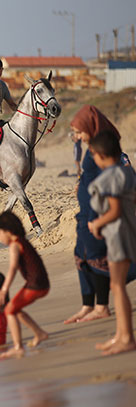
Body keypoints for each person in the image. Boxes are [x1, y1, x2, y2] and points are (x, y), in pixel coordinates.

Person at [65, 105, 121, 324]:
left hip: (97, 214)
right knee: (81, 257)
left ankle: (102, 306)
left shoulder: (105, 147)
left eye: (80, 132)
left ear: (90, 126)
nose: (78, 137)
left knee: (97, 258)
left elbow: (112, 175)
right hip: (84, 212)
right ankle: (87, 305)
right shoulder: (90, 147)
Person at [87, 130, 136, 355]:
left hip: (119, 235)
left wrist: (97, 224)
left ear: (100, 154)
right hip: (125, 232)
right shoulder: (126, 172)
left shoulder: (110, 177)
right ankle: (120, 335)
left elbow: (114, 211)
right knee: (117, 286)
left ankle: (126, 337)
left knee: (117, 286)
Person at [0, 211, 49, 358]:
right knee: (15, 309)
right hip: (40, 282)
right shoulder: (22, 241)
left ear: (8, 231)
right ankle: (40, 333)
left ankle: (18, 346)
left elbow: (12, 268)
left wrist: (4, 290)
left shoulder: (15, 245)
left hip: (36, 285)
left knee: (9, 310)